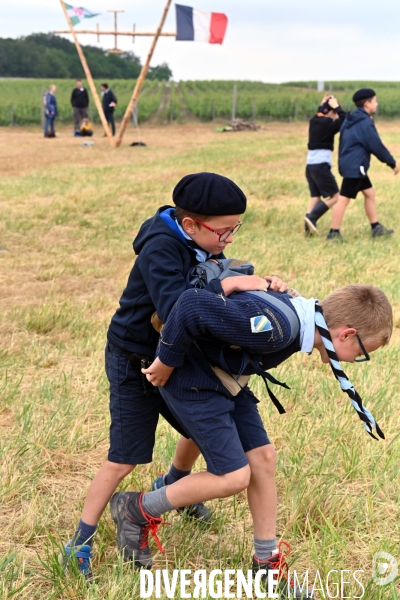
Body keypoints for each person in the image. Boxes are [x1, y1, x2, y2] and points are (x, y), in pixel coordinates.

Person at [60, 173, 286, 579]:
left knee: (199, 430)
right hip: (136, 360)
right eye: (224, 230)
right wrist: (234, 283)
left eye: (237, 228)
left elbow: (212, 279)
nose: (230, 238)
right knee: (124, 457)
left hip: (179, 360)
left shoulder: (197, 241)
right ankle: (79, 543)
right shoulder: (161, 248)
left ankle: (175, 486)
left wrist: (261, 287)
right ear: (190, 225)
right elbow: (178, 307)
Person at [110, 274, 392, 598]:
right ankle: (136, 509)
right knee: (233, 477)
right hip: (194, 383)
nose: (355, 361)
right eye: (361, 353)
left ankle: (266, 567)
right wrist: (166, 361)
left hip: (225, 380)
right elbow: (191, 305)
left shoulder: (297, 317)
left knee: (263, 459)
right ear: (347, 333)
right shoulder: (278, 328)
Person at [327, 88, 398, 240]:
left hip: (350, 164)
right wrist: (392, 163)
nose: (377, 104)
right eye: (375, 101)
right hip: (355, 166)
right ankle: (333, 233)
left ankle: (376, 227)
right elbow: (376, 146)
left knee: (369, 193)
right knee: (343, 199)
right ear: (367, 103)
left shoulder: (351, 118)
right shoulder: (364, 122)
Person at [304, 93, 346, 235]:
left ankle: (307, 228)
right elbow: (344, 121)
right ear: (332, 111)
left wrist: (324, 106)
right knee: (336, 196)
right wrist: (338, 107)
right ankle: (313, 217)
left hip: (309, 166)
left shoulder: (314, 120)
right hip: (321, 166)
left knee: (315, 197)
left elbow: (320, 113)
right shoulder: (329, 123)